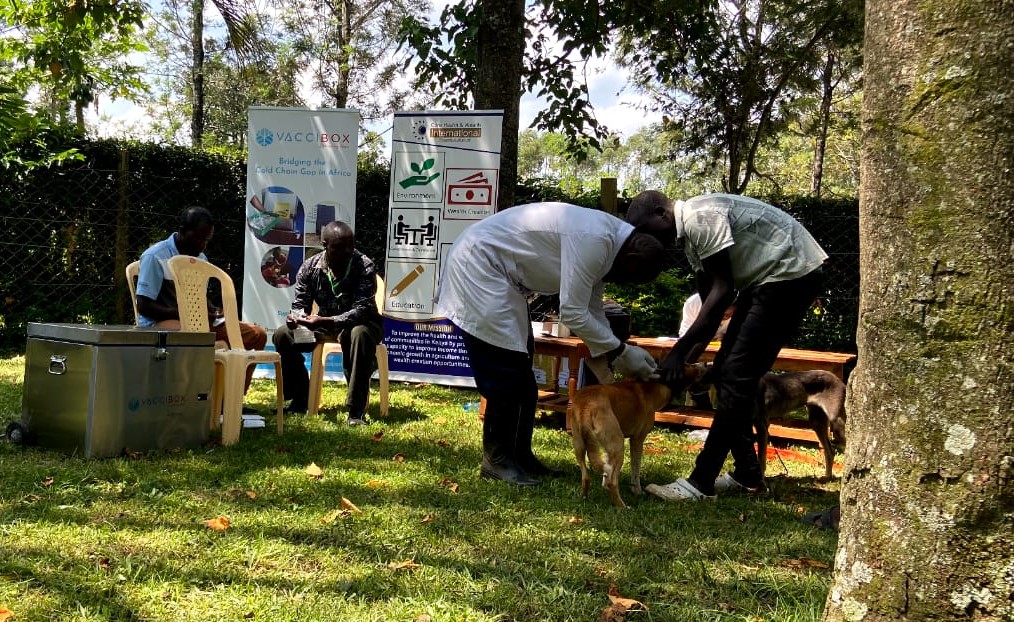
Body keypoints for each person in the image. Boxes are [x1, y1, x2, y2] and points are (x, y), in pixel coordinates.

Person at [436, 202, 668, 486]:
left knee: (522, 376)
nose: (622, 282)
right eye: (629, 278)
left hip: (501, 278)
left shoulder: (609, 243)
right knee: (505, 372)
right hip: (479, 268)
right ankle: (496, 461)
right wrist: (620, 351)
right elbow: (573, 312)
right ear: (630, 260)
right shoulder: (595, 240)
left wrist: (620, 351)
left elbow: (592, 309)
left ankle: (520, 456)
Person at [627, 191, 827, 501]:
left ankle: (701, 482)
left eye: (645, 229)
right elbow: (709, 308)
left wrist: (678, 353)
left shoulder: (698, 218)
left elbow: (721, 294)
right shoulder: (691, 240)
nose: (646, 238)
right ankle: (748, 475)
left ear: (661, 213)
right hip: (766, 279)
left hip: (789, 274)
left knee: (736, 375)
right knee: (725, 373)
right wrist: (683, 364)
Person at [135, 206, 268, 394]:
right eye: (198, 238)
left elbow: (198, 298)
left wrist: (213, 311)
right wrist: (183, 313)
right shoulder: (155, 256)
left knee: (257, 335)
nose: (202, 245)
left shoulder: (200, 258)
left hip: (197, 323)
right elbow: (144, 306)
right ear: (182, 231)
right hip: (160, 325)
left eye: (207, 239)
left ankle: (230, 401)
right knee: (195, 334)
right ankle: (186, 397)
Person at [272, 221, 383, 425]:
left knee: (358, 334)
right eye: (339, 246)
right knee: (282, 335)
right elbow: (300, 304)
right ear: (325, 245)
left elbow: (362, 309)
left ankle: (356, 410)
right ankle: (300, 398)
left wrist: (328, 320)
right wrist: (295, 318)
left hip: (361, 324)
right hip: (323, 326)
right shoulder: (310, 267)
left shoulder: (364, 265)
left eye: (350, 245)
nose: (347, 250)